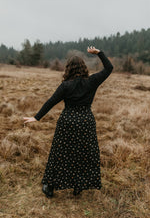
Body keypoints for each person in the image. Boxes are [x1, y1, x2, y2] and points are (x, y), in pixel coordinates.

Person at [23, 46, 114, 198]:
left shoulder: (66, 86)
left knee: (60, 154)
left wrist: (37, 117)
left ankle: (50, 186)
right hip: (86, 121)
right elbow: (109, 68)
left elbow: (51, 101)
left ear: (68, 69)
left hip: (68, 121)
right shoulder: (92, 81)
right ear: (83, 68)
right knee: (84, 154)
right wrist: (99, 53)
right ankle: (79, 185)